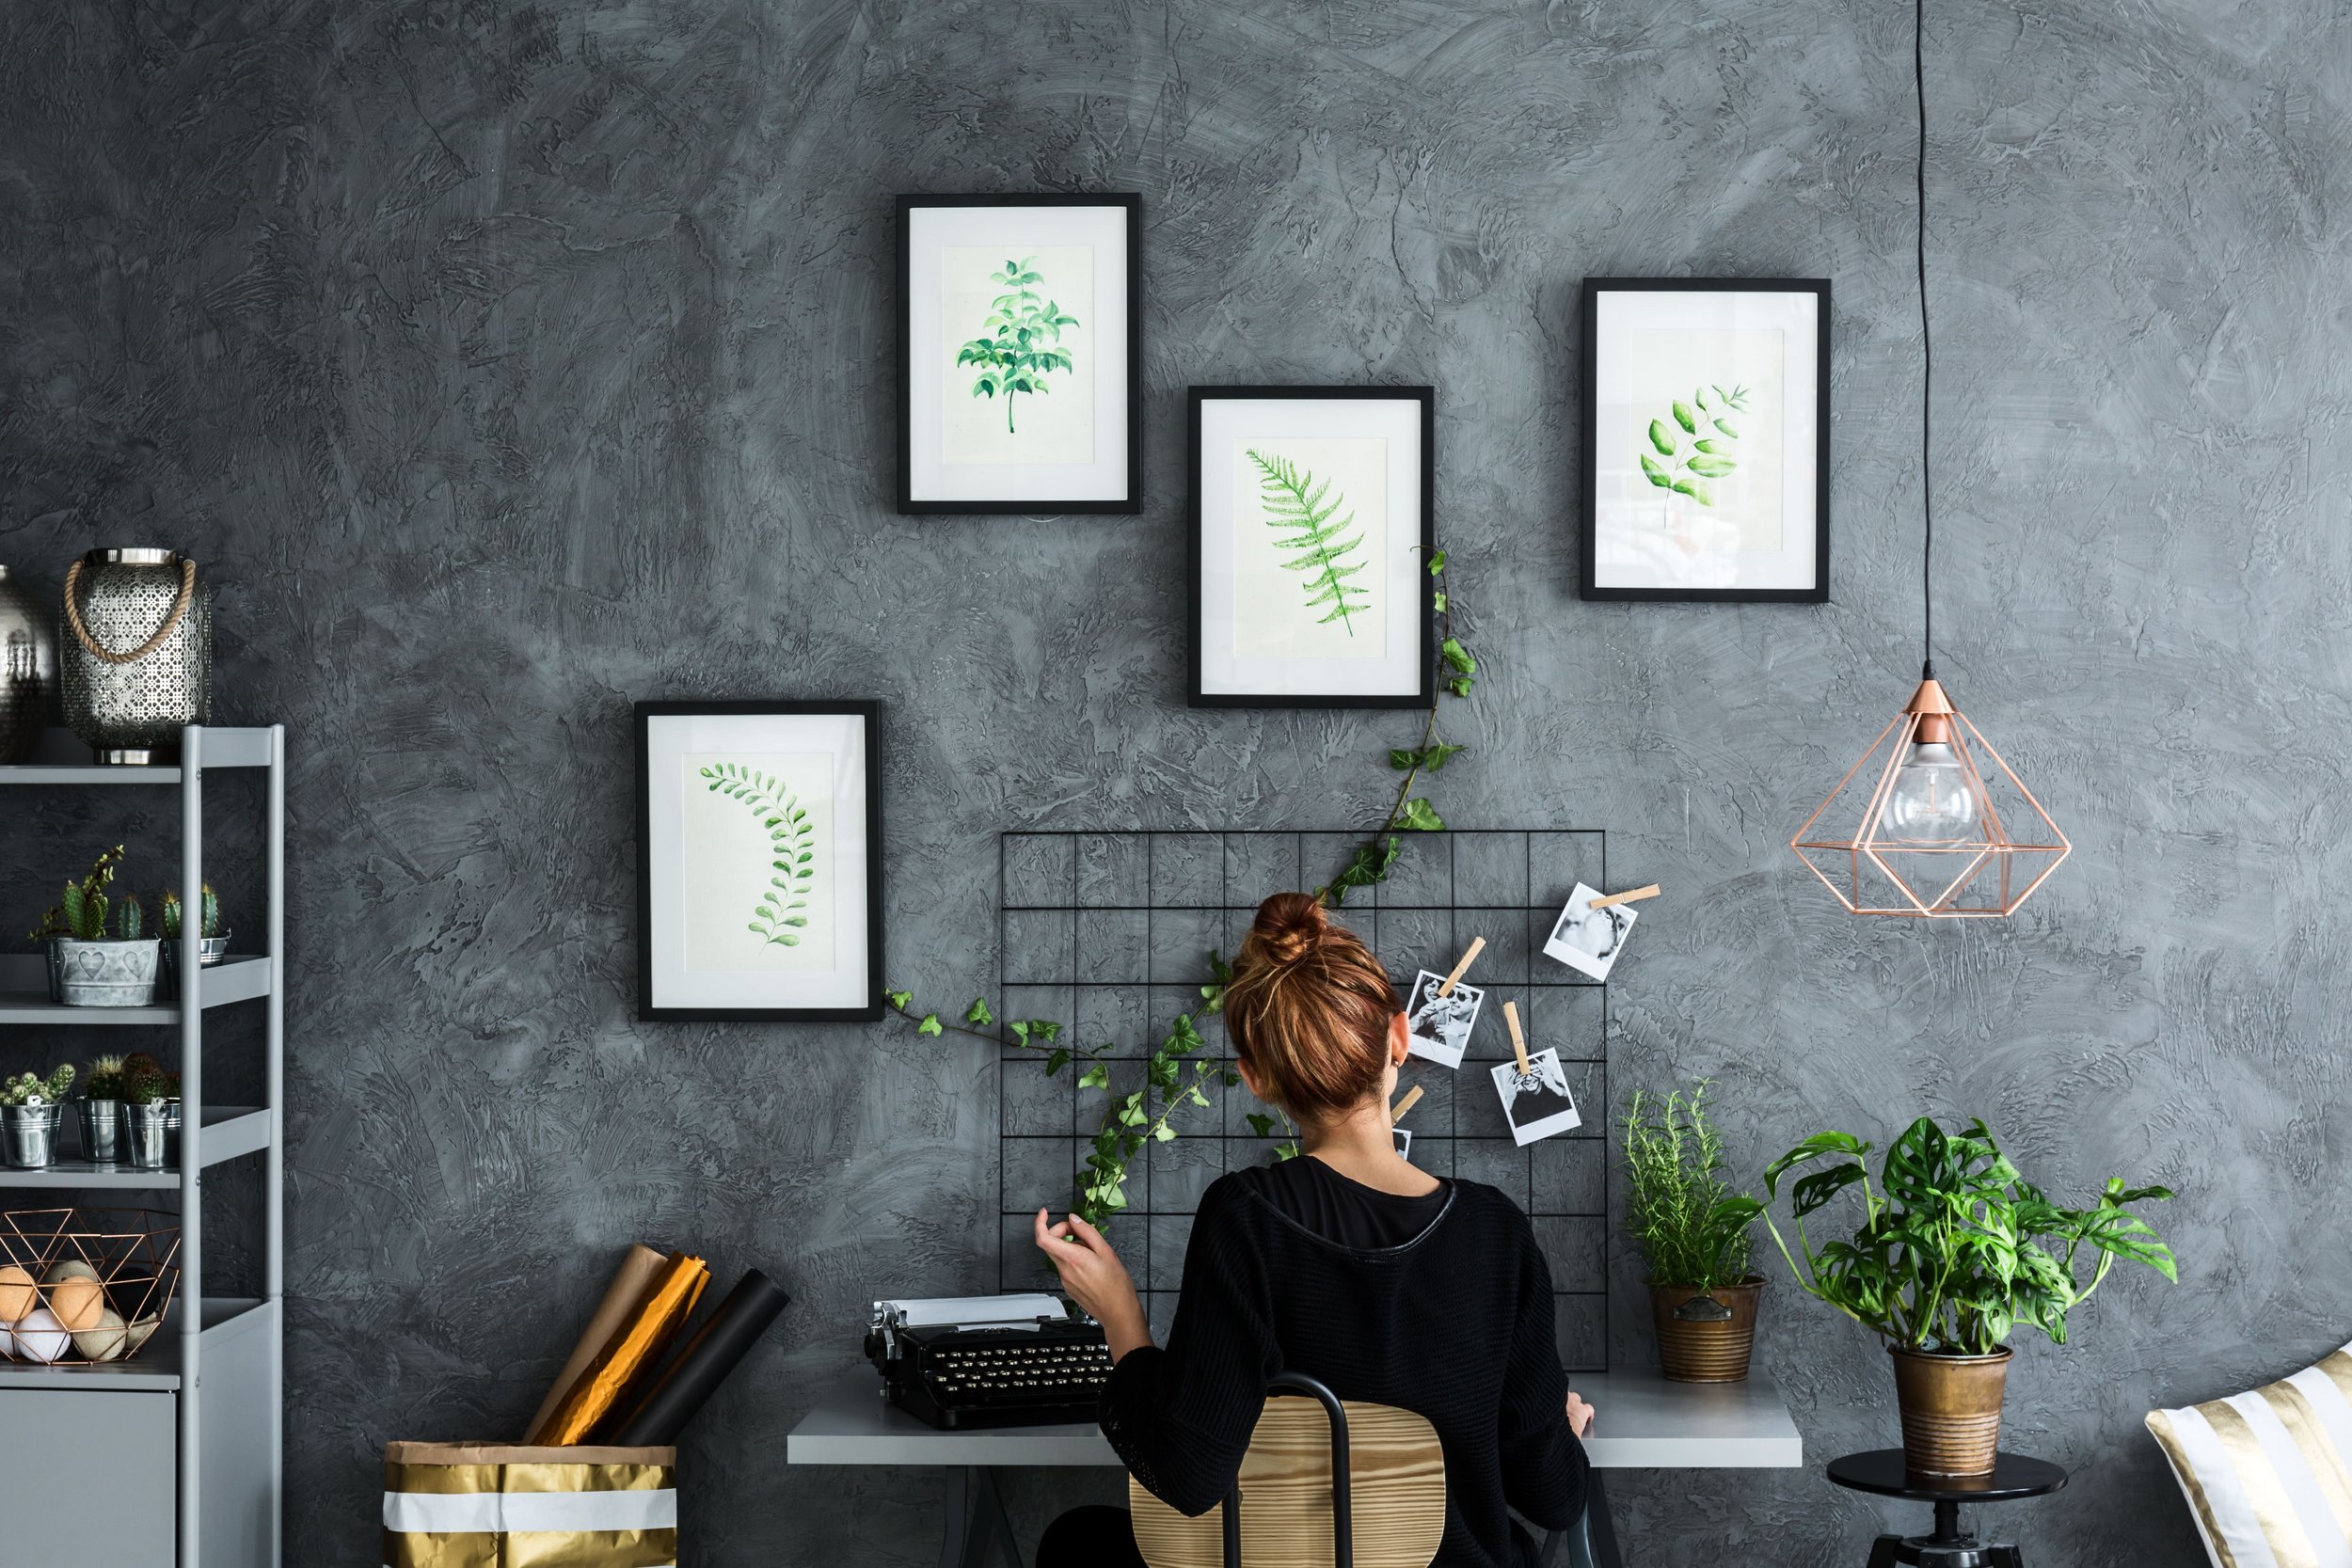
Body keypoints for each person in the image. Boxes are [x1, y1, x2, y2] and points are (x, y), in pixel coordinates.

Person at [1034, 893, 1595, 1568]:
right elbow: (1557, 1499)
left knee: (1073, 1542)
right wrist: (1555, 1434)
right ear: (1399, 1036)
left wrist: (1121, 1316)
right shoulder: (1498, 1232)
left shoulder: (1243, 1217)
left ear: (1256, 1080)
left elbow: (1189, 1473)